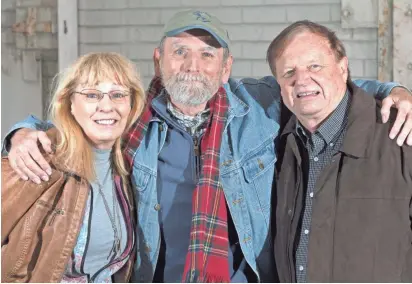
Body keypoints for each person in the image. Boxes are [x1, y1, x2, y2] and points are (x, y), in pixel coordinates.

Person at [3, 10, 412, 283]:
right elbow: (80, 119)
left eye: (206, 54)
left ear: (227, 66)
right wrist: (22, 132)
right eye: (179, 52)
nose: (192, 65)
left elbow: (322, 89)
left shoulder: (259, 105)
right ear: (159, 60)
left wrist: (395, 91)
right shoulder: (135, 118)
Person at [269, 20, 412, 282]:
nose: (301, 80)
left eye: (315, 66)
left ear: (343, 68)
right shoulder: (277, 144)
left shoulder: (401, 135)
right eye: (289, 72)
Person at [1, 52, 146, 282]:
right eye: (91, 95)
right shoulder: (37, 160)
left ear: (132, 104)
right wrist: (18, 134)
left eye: (117, 94)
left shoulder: (130, 164)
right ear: (69, 103)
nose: (107, 106)